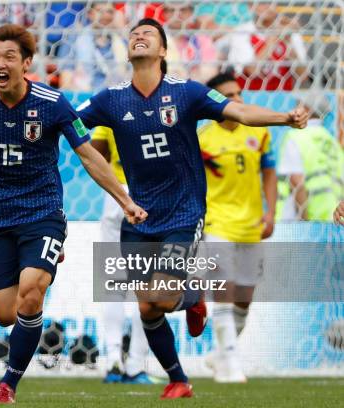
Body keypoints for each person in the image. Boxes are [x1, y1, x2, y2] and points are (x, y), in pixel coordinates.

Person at [76, 18, 308, 399]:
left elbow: (240, 112)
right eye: (134, 33)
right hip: (137, 214)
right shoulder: (110, 98)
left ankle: (190, 296)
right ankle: (178, 379)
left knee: (164, 297)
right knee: (148, 307)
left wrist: (285, 117)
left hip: (183, 213)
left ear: (164, 52)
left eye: (149, 34)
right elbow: (67, 121)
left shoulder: (186, 92)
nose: (139, 35)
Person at [0, 24, 146, 404]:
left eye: (9, 57)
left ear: (27, 63)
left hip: (43, 213)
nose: (0, 64)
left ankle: (9, 382)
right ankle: (42, 262)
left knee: (31, 292)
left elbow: (89, 155)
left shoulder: (53, 103)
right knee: (5, 313)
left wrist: (124, 200)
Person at [198, 72, 277, 383]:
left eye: (239, 93)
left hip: (251, 224)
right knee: (224, 288)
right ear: (215, 101)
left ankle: (220, 355)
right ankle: (230, 366)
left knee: (244, 296)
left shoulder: (259, 132)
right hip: (217, 222)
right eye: (229, 95)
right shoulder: (202, 138)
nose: (238, 100)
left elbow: (269, 172)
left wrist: (271, 213)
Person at [92, 126, 155, 385]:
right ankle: (136, 366)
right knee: (149, 287)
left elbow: (95, 153)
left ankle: (113, 360)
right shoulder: (168, 103)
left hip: (117, 196)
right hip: (152, 195)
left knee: (114, 283)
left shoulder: (111, 108)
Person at [276, 93, 343, 221]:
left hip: (297, 222)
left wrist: (304, 221)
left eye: (298, 104)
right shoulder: (333, 143)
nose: (294, 108)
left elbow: (296, 181)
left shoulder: (296, 136)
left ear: (307, 109)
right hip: (331, 220)